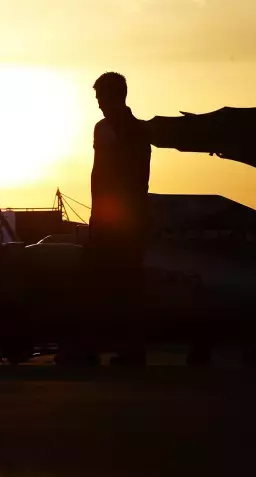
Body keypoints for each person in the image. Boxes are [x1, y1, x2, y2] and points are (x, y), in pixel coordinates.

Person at [65, 72, 151, 366]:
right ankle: (123, 349)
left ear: (113, 97)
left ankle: (97, 349)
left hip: (117, 220)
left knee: (103, 285)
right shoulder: (125, 130)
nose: (99, 104)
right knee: (117, 286)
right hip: (122, 219)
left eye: (101, 98)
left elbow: (111, 176)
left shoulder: (118, 130)